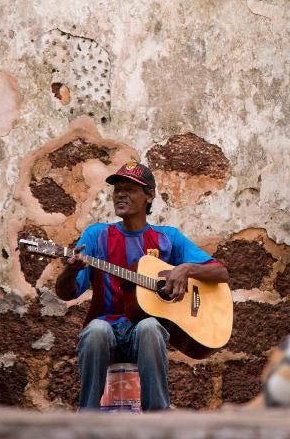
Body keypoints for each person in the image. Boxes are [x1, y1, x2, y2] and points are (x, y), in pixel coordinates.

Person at [55, 161, 229, 410]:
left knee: (149, 326)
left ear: (149, 196)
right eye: (117, 189)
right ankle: (87, 418)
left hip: (144, 338)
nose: (121, 194)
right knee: (96, 331)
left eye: (130, 189)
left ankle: (157, 421)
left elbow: (221, 273)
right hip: (106, 331)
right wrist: (70, 271)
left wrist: (186, 269)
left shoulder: (168, 238)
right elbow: (65, 293)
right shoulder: (96, 236)